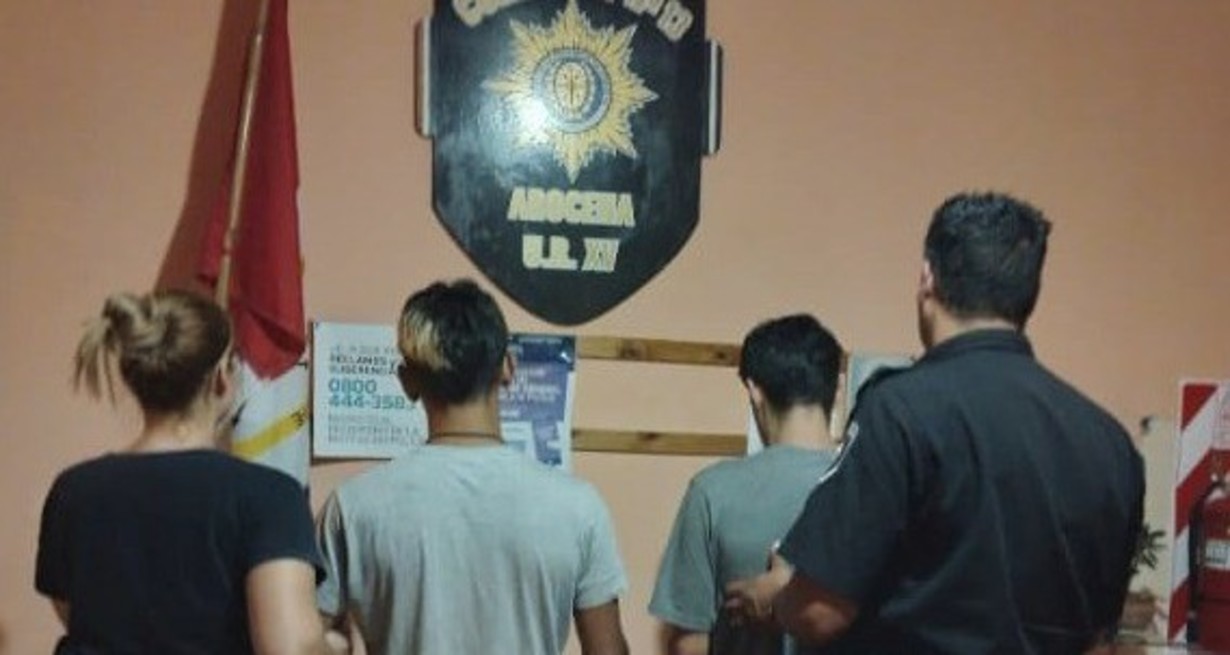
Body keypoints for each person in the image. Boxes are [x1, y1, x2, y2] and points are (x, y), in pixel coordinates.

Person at [725, 192, 1145, 654]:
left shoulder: (900, 411)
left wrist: (774, 598)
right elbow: (1099, 642)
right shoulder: (1109, 444)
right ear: (1028, 293)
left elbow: (819, 613)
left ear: (927, 278)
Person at [316, 279, 629, 655]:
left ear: (407, 381)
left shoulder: (352, 507)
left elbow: (301, 641)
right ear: (508, 366)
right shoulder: (578, 507)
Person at [35, 290, 330, 655]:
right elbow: (289, 648)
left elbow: (76, 615)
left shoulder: (73, 491)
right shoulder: (269, 497)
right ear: (222, 377)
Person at [649, 314, 844, 655]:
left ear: (754, 390)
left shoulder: (712, 491)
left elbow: (687, 643)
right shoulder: (877, 485)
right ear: (838, 388)